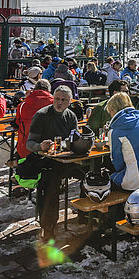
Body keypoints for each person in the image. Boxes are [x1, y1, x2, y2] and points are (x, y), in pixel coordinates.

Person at [24, 85, 78, 242]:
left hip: (67, 160)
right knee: (51, 184)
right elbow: (30, 143)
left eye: (63, 100)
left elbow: (75, 138)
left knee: (94, 173)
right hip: (45, 161)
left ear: (69, 102)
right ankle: (48, 228)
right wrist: (40, 146)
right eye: (57, 99)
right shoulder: (42, 115)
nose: (59, 102)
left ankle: (87, 216)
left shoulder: (71, 116)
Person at [15, 79, 54, 159]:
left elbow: (18, 122)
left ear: (34, 89)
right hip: (50, 148)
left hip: (26, 149)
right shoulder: (55, 104)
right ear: (49, 90)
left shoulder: (23, 105)